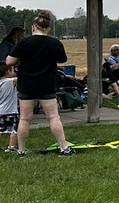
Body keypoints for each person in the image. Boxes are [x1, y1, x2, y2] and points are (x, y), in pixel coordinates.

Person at [5, 10, 72, 156]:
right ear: (48, 28)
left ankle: (21, 150)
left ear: (33, 27)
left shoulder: (25, 42)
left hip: (27, 83)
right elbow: (62, 60)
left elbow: (9, 61)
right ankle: (63, 147)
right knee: (53, 117)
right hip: (46, 83)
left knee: (24, 118)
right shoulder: (55, 43)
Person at [0, 63, 17, 151]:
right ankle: (11, 147)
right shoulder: (12, 81)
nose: (14, 72)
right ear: (8, 72)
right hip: (11, 111)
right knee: (14, 130)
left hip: (1, 111)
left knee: (1, 129)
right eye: (13, 70)